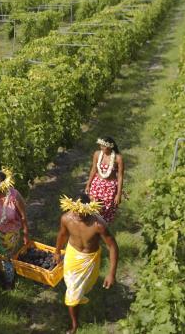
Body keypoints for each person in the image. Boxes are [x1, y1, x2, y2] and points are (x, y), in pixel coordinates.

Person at [54, 194, 119, 334]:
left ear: (89, 209)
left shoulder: (98, 225)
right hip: (72, 254)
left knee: (84, 287)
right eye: (75, 210)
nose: (77, 214)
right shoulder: (66, 218)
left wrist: (111, 273)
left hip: (90, 259)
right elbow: (62, 234)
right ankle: (75, 326)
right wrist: (57, 251)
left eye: (82, 211)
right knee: (72, 292)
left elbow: (112, 246)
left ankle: (78, 298)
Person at [84, 137, 124, 223]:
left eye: (103, 146)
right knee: (93, 206)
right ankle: (92, 226)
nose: (101, 148)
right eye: (100, 146)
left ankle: (103, 228)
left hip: (110, 187)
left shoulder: (118, 158)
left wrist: (118, 194)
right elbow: (94, 169)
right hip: (97, 184)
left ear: (110, 147)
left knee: (106, 208)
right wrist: (88, 184)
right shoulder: (97, 154)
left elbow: (120, 176)